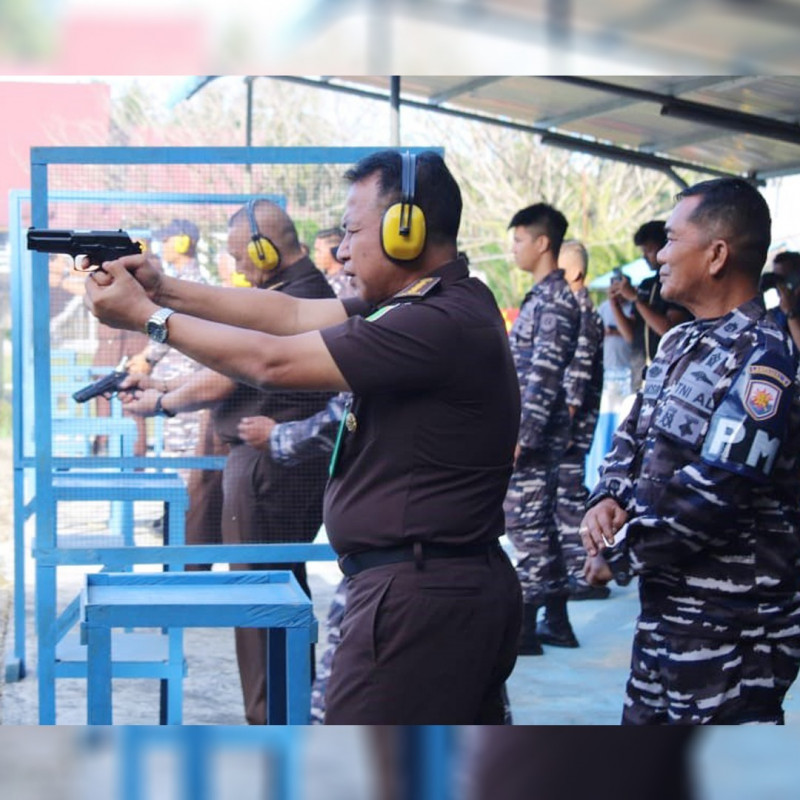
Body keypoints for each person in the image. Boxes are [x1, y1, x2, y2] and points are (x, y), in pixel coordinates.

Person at [84, 150, 523, 725]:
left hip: (421, 599)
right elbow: (287, 316)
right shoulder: (424, 305)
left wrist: (150, 320)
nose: (341, 249)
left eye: (353, 230)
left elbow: (273, 362)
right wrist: (165, 290)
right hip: (427, 588)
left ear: (406, 229)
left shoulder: (435, 321)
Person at [581, 177, 800, 725]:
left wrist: (617, 554)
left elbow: (716, 492)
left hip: (733, 633)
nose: (660, 257)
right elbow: (633, 436)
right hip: (667, 620)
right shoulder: (681, 341)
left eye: (673, 241)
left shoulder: (764, 359)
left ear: (718, 254)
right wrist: (606, 496)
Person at [119, 200, 334, 724]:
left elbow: (240, 368)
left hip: (271, 471)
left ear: (267, 249)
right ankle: (283, 712)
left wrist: (164, 401)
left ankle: (272, 720)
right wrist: (166, 384)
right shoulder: (287, 294)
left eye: (242, 257)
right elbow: (228, 368)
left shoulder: (301, 296)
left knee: (259, 595)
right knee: (271, 589)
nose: (237, 268)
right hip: (267, 467)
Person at [503, 203, 581, 655]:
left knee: (527, 528)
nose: (513, 249)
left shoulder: (554, 301)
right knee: (538, 528)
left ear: (542, 243)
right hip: (533, 433)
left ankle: (527, 629)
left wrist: (521, 439)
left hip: (533, 438)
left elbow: (546, 379)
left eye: (518, 240)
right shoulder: (542, 297)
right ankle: (555, 621)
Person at [555, 240, 606, 601]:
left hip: (572, 425)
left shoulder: (584, 314)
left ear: (574, 272)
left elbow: (577, 378)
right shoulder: (571, 309)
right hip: (565, 424)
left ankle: (584, 571)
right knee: (563, 497)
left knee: (570, 497)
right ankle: (576, 569)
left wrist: (563, 424)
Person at [609, 220, 692, 390]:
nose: (645, 256)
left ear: (665, 247)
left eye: (649, 250)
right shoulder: (646, 285)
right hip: (639, 376)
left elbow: (668, 330)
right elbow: (631, 335)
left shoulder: (676, 284)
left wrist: (636, 299)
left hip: (667, 378)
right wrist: (614, 304)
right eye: (643, 251)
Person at [764, 250, 800, 349]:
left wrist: (790, 312)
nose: (781, 286)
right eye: (778, 280)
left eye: (786, 279)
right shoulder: (778, 312)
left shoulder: (789, 310)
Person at [313, 226, 354, 298]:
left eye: (319, 251)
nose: (315, 255)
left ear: (335, 250)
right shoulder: (320, 279)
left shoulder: (348, 282)